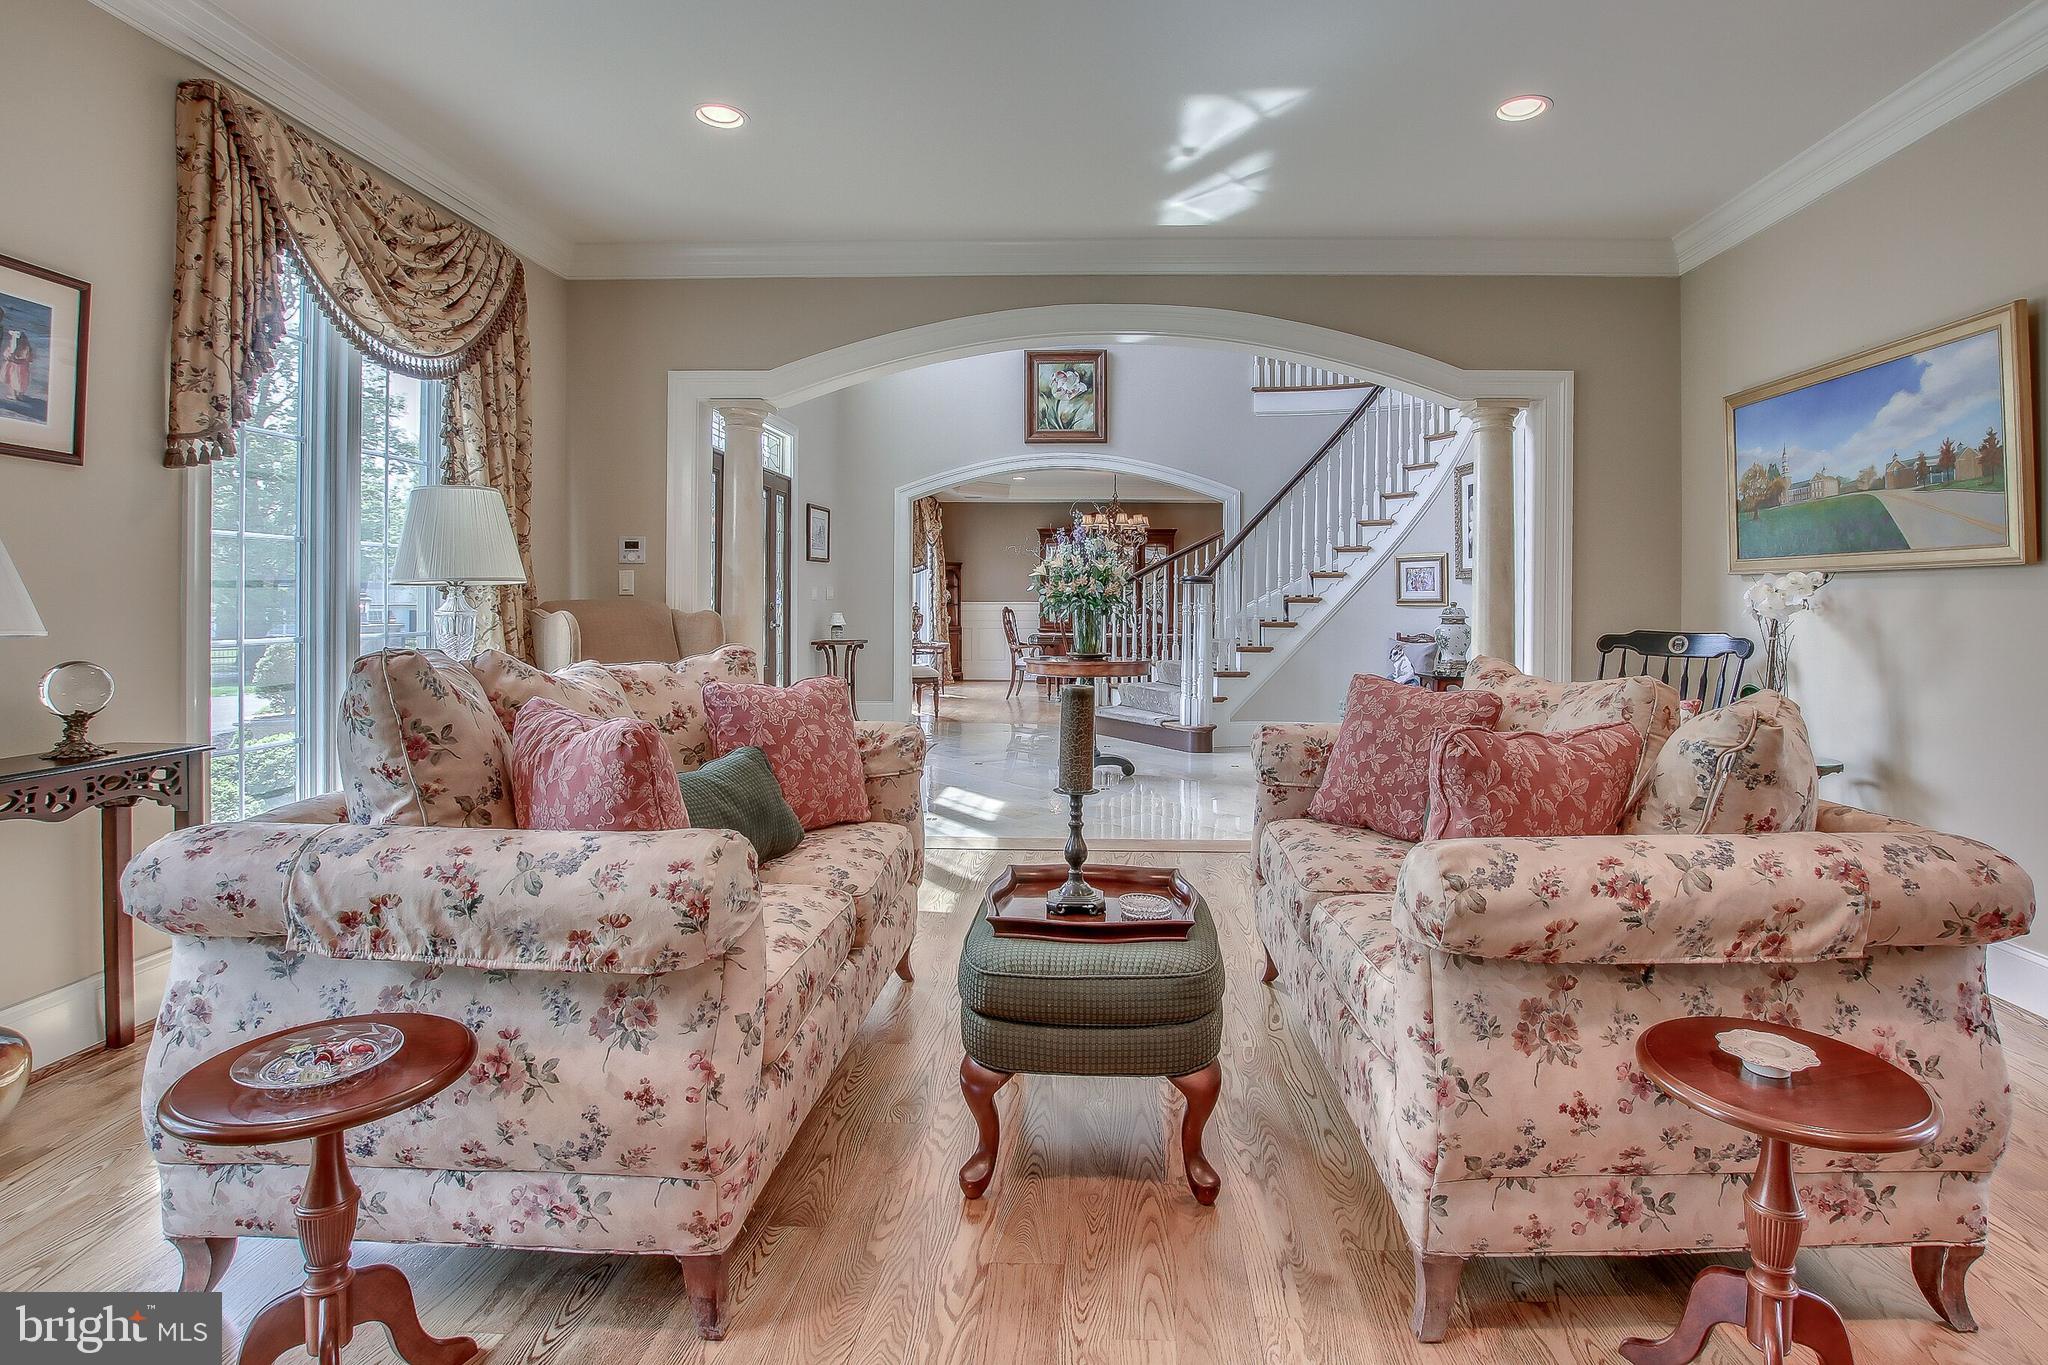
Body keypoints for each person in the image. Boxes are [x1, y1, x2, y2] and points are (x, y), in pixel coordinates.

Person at [0, 308, 34, 405]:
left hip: (14, 368)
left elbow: (8, 355)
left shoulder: (16, 348)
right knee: (19, 382)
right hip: (21, 369)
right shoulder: (25, 348)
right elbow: (29, 358)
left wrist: (10, 358)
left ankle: (15, 395)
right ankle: (19, 395)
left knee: (13, 381)